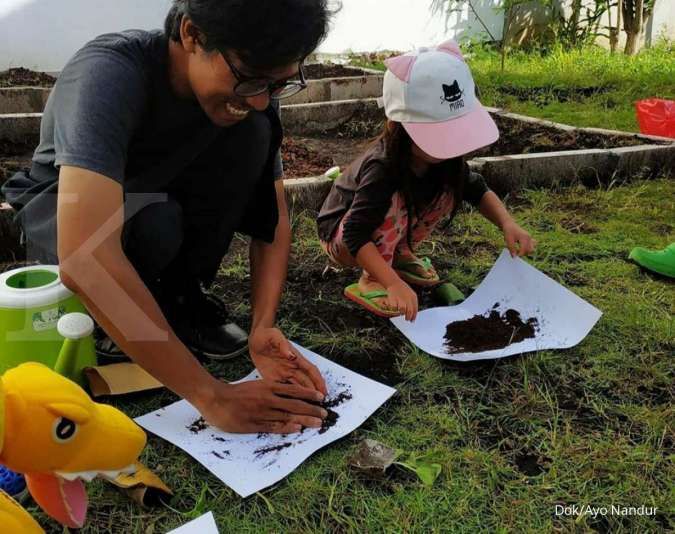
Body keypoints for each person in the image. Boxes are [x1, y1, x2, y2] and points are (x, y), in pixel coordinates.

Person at [2, 0, 338, 434]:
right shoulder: (109, 73)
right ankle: (114, 322)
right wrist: (209, 396)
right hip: (65, 210)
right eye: (249, 78)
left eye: (278, 85)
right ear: (192, 34)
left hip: (161, 196)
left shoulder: (252, 98)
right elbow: (86, 257)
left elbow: (273, 220)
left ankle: (180, 299)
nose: (258, 99)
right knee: (155, 222)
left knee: (254, 132)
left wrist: (263, 325)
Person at [317, 41, 536, 321]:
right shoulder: (382, 168)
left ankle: (400, 253)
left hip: (374, 232)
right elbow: (355, 233)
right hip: (343, 238)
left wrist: (508, 223)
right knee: (393, 203)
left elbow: (477, 189)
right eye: (441, 132)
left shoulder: (445, 162)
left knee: (448, 189)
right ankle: (372, 278)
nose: (451, 144)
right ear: (401, 126)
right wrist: (393, 284)